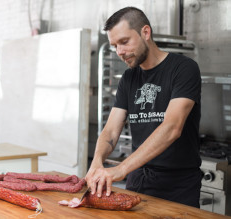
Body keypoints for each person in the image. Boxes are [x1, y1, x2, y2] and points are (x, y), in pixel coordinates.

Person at [85, 6, 202, 208]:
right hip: (138, 180)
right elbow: (111, 131)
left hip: (178, 186)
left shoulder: (183, 68)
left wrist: (121, 169)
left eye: (124, 42)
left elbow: (172, 128)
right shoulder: (129, 78)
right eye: (114, 46)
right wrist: (97, 160)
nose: (120, 52)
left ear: (145, 32)